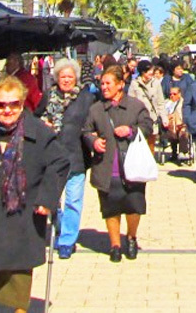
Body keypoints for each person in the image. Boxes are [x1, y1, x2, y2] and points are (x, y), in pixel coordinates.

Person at [0, 76, 68, 313]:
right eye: (1, 105)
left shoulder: (39, 132)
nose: (7, 110)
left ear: (22, 103)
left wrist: (47, 198)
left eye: (14, 104)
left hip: (21, 218)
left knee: (19, 280)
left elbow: (60, 163)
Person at [82, 65, 154, 262]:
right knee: (110, 208)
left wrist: (131, 131)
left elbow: (148, 126)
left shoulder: (135, 106)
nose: (104, 87)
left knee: (133, 206)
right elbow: (85, 131)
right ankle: (114, 245)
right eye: (102, 83)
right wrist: (93, 141)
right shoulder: (96, 109)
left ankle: (131, 237)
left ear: (121, 84)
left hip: (132, 167)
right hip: (107, 167)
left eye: (108, 83)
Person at [45, 59, 96, 260]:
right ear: (57, 78)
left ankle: (67, 240)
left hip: (76, 157)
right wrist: (44, 124)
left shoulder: (86, 98)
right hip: (52, 157)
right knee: (52, 200)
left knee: (73, 201)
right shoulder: (49, 96)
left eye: (70, 76)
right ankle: (60, 226)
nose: (66, 80)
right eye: (62, 76)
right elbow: (35, 116)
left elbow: (94, 122)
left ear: (76, 78)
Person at [128, 59, 165, 144]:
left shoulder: (156, 83)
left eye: (152, 70)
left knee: (151, 145)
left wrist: (164, 118)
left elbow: (161, 102)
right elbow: (130, 103)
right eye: (148, 71)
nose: (151, 72)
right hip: (139, 119)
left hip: (153, 119)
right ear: (142, 72)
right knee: (140, 144)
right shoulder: (135, 83)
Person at [162, 85, 190, 163]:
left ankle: (182, 152)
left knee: (183, 132)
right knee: (171, 131)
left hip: (181, 125)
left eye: (174, 94)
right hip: (169, 126)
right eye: (170, 94)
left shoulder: (184, 103)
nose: (172, 96)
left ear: (179, 94)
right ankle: (174, 153)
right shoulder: (166, 103)